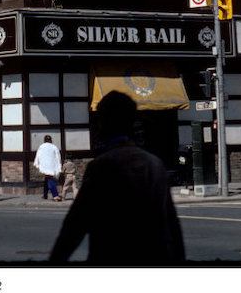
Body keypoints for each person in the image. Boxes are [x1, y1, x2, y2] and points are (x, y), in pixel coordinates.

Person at [49, 91, 185, 266]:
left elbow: (75, 225)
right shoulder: (154, 165)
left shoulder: (100, 166)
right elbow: (172, 225)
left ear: (104, 124)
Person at [34, 135, 62, 201]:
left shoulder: (41, 146)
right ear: (51, 140)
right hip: (52, 166)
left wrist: (37, 163)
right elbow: (58, 157)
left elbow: (38, 155)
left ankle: (46, 195)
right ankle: (55, 195)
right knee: (49, 180)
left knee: (48, 179)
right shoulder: (54, 147)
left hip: (44, 166)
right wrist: (59, 166)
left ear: (44, 140)